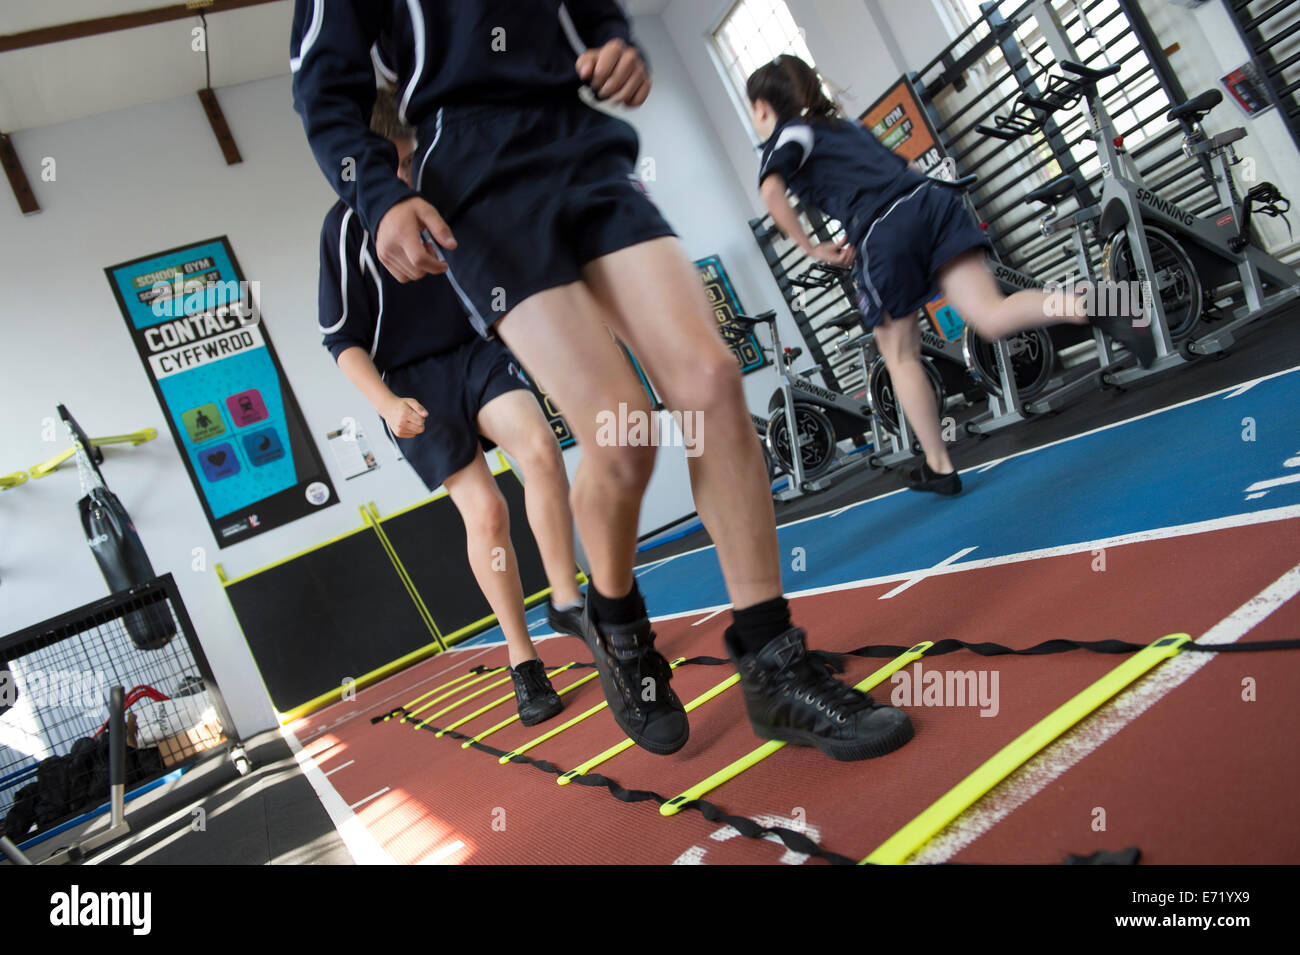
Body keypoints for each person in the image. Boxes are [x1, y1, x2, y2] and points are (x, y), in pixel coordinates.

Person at [292, 1, 913, 762]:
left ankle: (773, 661)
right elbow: (324, 81)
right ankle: (616, 626)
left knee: (711, 379)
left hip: (578, 138)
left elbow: (591, 11)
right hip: (474, 173)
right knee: (623, 432)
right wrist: (380, 195)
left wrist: (614, 42)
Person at [747, 54, 1156, 496]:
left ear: (765, 108)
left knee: (900, 355)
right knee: (991, 314)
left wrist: (811, 247)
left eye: (753, 111)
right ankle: (1092, 303)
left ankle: (940, 465)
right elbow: (910, 170)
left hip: (884, 228)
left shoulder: (789, 133)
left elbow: (772, 190)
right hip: (931, 202)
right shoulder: (848, 129)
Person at [317, 87, 587, 727]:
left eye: (411, 160)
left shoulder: (446, 197)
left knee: (541, 449)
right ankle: (524, 663)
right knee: (487, 512)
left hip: (475, 354)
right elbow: (341, 339)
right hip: (412, 381)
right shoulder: (345, 226)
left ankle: (570, 598)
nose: (406, 176)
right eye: (394, 165)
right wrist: (386, 404)